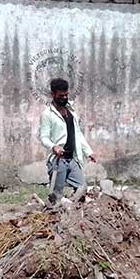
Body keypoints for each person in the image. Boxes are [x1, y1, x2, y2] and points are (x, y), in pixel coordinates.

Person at [39, 78, 97, 206]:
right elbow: (43, 137)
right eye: (61, 95)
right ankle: (54, 218)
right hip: (58, 161)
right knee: (56, 195)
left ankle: (73, 213)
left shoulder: (71, 111)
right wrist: (54, 147)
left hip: (72, 159)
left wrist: (89, 152)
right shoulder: (47, 114)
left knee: (82, 187)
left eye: (66, 95)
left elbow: (78, 134)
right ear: (53, 94)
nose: (64, 98)